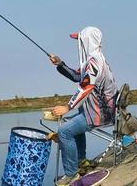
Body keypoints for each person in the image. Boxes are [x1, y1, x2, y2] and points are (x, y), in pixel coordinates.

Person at [48, 27, 118, 185]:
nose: (78, 44)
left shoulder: (94, 62)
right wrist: (60, 64)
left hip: (99, 114)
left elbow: (86, 86)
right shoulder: (93, 60)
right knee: (70, 125)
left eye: (80, 40)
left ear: (87, 41)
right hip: (95, 111)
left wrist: (67, 107)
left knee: (64, 131)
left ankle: (71, 173)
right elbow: (77, 76)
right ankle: (81, 162)